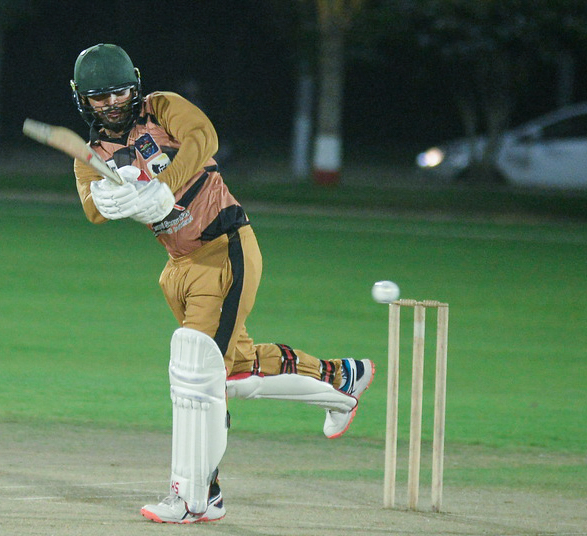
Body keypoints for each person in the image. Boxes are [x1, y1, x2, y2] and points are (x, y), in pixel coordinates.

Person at [70, 43, 374, 524]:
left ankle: (194, 496)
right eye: (100, 96)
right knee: (232, 370)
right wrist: (112, 195)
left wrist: (162, 184)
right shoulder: (92, 155)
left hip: (225, 245)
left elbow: (204, 137)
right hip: (179, 266)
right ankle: (340, 379)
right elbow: (92, 209)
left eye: (120, 92)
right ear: (82, 98)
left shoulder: (161, 107)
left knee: (197, 372)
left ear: (136, 86)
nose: (111, 103)